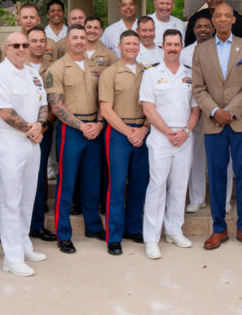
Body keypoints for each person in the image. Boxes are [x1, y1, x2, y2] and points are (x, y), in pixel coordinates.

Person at [192, 3, 242, 250]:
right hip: (213, 123)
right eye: (217, 15)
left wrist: (230, 111)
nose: (221, 19)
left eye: (226, 15)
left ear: (233, 19)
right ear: (212, 19)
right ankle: (218, 229)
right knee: (217, 177)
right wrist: (215, 111)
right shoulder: (201, 51)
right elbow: (198, 88)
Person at [0, 32, 49, 277]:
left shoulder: (32, 73)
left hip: (33, 140)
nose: (22, 48)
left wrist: (39, 127)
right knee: (10, 199)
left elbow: (44, 104)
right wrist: (30, 129)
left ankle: (24, 244)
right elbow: (3, 110)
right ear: (6, 48)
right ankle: (12, 257)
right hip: (11, 141)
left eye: (25, 44)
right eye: (16, 45)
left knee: (27, 196)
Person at [45, 24, 109, 254]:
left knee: (92, 182)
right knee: (67, 184)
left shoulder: (96, 67)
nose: (80, 41)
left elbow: (104, 98)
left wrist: (99, 124)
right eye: (75, 37)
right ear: (67, 41)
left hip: (94, 129)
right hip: (71, 130)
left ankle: (93, 227)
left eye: (83, 37)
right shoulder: (57, 68)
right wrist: (82, 126)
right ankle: (63, 234)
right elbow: (56, 105)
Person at [139, 30, 201, 259]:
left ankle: (174, 230)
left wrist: (185, 132)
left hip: (185, 137)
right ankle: (152, 237)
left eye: (176, 44)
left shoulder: (190, 74)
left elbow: (196, 109)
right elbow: (148, 108)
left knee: (179, 185)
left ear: (182, 46)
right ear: (162, 46)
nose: (173, 48)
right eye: (169, 44)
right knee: (157, 186)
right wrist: (168, 132)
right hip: (160, 137)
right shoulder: (152, 74)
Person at [99, 30, 151, 256]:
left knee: (140, 184)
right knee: (117, 185)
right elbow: (105, 110)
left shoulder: (148, 72)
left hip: (143, 131)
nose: (131, 47)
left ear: (139, 47)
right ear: (119, 47)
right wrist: (130, 132)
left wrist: (144, 129)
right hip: (119, 133)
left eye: (134, 43)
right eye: (127, 43)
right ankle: (114, 235)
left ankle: (133, 228)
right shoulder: (109, 73)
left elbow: (153, 104)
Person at [23, 28, 58, 241]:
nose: (38, 44)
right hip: (18, 131)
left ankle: (36, 225)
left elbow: (55, 102)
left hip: (43, 130)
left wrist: (42, 126)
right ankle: (15, 228)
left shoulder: (53, 69)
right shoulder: (16, 67)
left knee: (38, 178)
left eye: (41, 41)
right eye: (33, 41)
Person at [182, 17, 214, 213]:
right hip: (192, 109)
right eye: (199, 27)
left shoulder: (221, 49)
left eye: (207, 26)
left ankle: (225, 199)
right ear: (193, 30)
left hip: (216, 109)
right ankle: (197, 197)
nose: (203, 30)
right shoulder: (185, 53)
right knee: (195, 154)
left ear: (213, 28)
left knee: (220, 156)